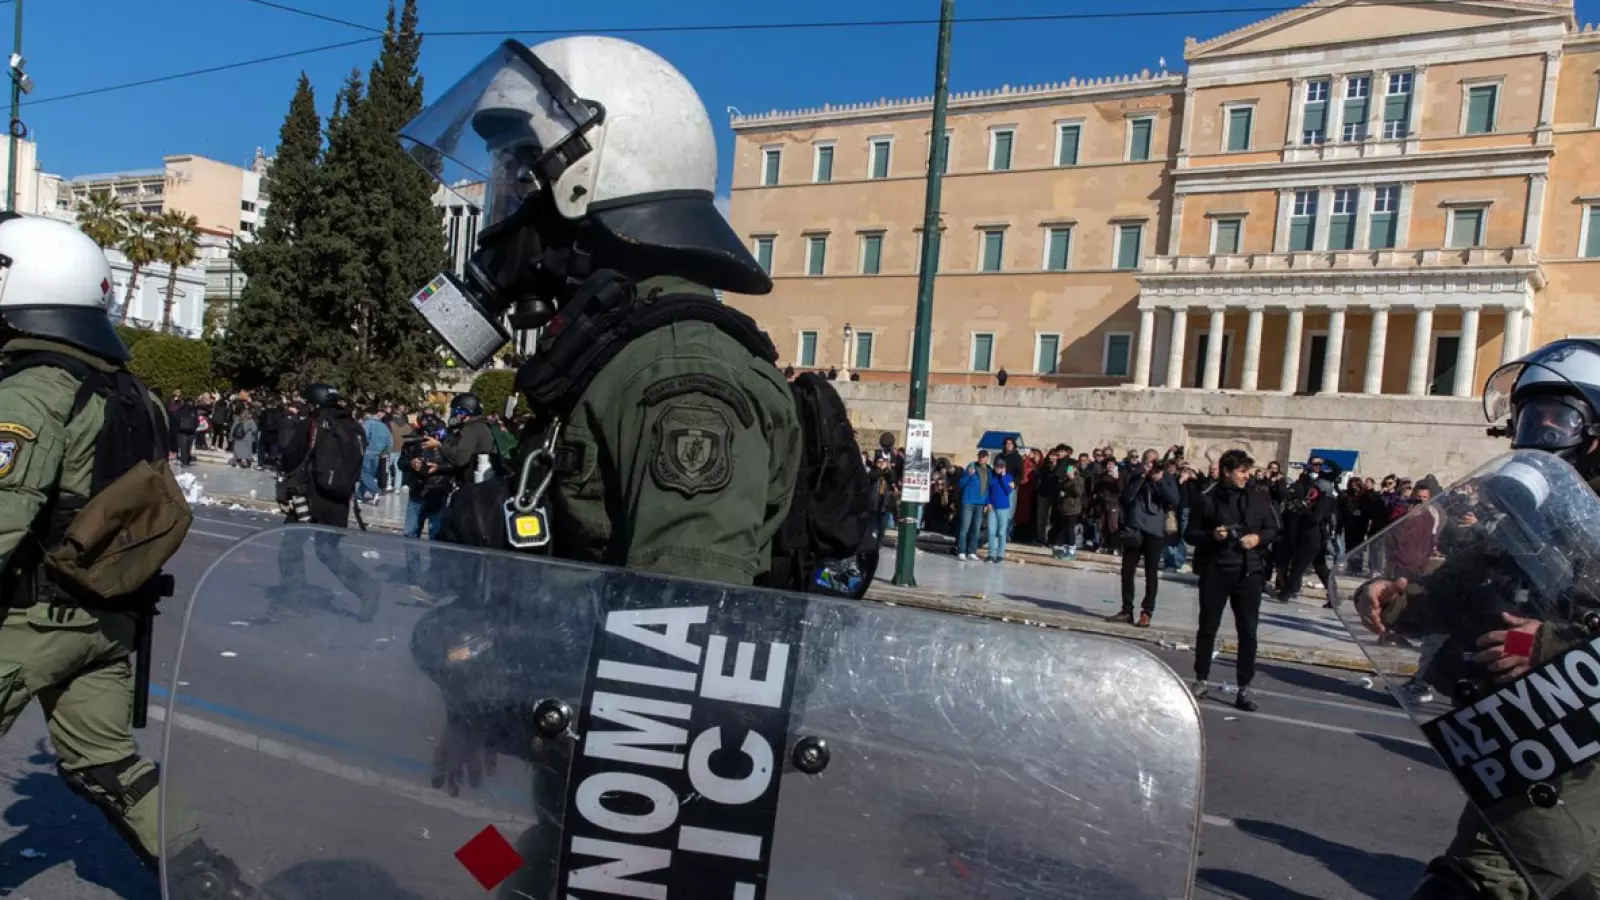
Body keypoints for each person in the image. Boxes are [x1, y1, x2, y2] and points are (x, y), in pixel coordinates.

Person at [408, 35, 802, 590]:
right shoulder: (613, 351)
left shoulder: (681, 373)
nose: (505, 214)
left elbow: (678, 620)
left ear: (591, 180)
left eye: (518, 179)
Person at [0, 216, 253, 897]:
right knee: (107, 763)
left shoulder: (31, 391)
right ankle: (205, 878)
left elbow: (4, 514)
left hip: (30, 622)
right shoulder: (131, 392)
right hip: (105, 619)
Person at [1357, 338, 1600, 900]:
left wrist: (1546, 645)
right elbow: (1463, 589)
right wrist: (1393, 598)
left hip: (1571, 756)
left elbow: (1557, 633)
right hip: (1534, 739)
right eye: (1530, 416)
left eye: (1558, 417)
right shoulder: (1533, 516)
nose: (1539, 432)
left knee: (1476, 883)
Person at [275, 383, 380, 621]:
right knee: (327, 551)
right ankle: (367, 588)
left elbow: (291, 456)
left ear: (314, 403)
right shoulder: (351, 424)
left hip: (310, 497)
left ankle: (293, 600)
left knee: (291, 547)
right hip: (338, 500)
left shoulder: (313, 424)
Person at [1186, 449, 1278, 712]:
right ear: (1227, 471)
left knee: (1248, 631)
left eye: (1248, 471)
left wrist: (1258, 539)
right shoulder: (1207, 498)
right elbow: (1190, 534)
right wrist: (1212, 536)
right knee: (1208, 627)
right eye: (1241, 471)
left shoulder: (1258, 497)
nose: (1246, 476)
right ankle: (1201, 678)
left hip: (1249, 572)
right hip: (1216, 570)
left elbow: (1274, 528)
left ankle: (1244, 687)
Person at [1112, 451, 1179, 627]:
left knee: (1151, 573)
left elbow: (1174, 500)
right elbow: (1126, 498)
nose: (1151, 465)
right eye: (1148, 462)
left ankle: (1147, 612)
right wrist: (1141, 477)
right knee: (1127, 571)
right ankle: (1127, 610)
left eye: (1154, 462)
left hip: (1155, 531)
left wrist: (1159, 481)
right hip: (1135, 528)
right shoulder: (1136, 476)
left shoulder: (1167, 478)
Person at [423, 392, 497, 486]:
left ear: (467, 412)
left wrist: (439, 445)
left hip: (474, 484)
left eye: (458, 412)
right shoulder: (483, 425)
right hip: (486, 480)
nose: (456, 415)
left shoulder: (471, 429)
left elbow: (460, 459)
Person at [956, 450, 992, 561]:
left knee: (976, 529)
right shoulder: (971, 467)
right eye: (980, 456)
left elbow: (989, 487)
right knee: (964, 527)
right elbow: (961, 483)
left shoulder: (989, 470)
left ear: (987, 458)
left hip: (980, 503)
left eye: (983, 457)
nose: (981, 459)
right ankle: (961, 551)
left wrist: (987, 502)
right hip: (968, 501)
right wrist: (969, 476)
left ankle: (972, 551)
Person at [358, 406, 393, 505]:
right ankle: (359, 496)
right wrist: (385, 452)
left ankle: (376, 491)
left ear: (370, 414)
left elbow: (363, 438)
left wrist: (361, 449)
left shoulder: (367, 423)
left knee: (364, 474)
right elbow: (390, 442)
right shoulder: (384, 426)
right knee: (368, 475)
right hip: (378, 454)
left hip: (367, 452)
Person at [985, 456, 1016, 563]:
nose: (998, 469)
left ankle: (1000, 554)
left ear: (1004, 468)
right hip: (992, 507)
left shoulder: (1009, 477)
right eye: (997, 467)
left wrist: (1002, 477)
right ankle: (991, 554)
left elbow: (1008, 490)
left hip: (1003, 508)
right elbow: (988, 491)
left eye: (1001, 467)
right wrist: (988, 503)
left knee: (1002, 532)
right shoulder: (992, 477)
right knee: (991, 531)